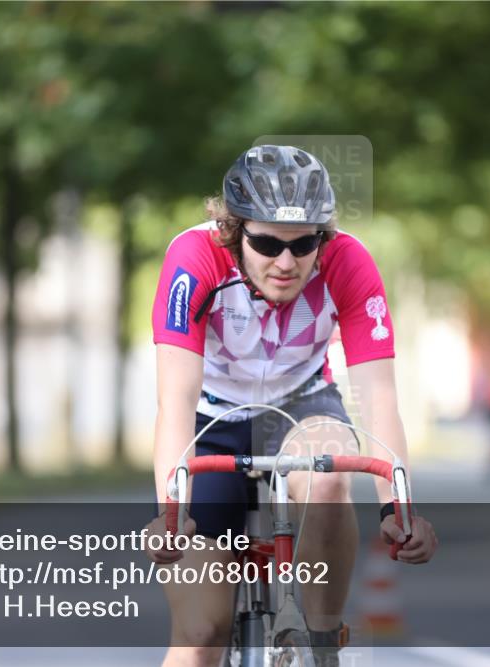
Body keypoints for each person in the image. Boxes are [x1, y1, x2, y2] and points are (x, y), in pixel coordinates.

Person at [146, 145, 437, 667]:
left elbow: (379, 397)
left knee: (327, 476)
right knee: (199, 634)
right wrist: (172, 515)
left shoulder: (349, 260)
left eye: (304, 244)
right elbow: (175, 400)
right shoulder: (193, 257)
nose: (286, 262)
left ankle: (324, 643)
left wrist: (398, 509)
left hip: (304, 403)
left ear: (322, 238)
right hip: (211, 419)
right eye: (266, 243)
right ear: (235, 232)